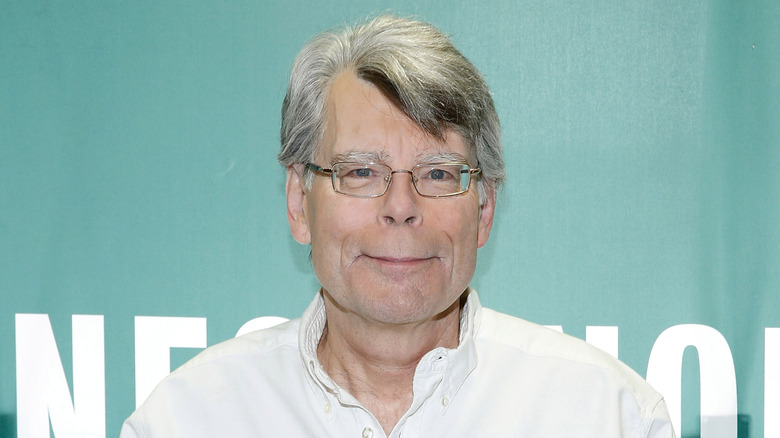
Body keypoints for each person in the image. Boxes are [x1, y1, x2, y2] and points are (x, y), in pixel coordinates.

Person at [120, 15, 675, 437]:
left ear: (483, 210)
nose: (401, 205)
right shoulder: (188, 418)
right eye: (361, 172)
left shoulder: (608, 415)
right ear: (298, 201)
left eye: (438, 173)